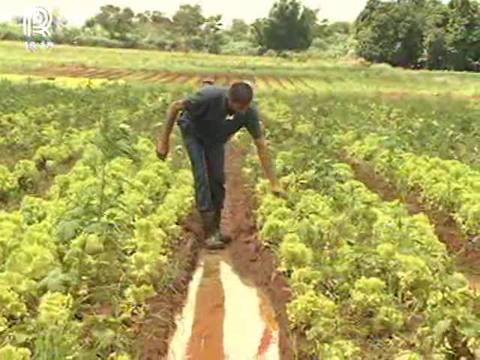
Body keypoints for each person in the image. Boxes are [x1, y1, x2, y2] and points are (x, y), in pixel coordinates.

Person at [156, 81, 285, 249]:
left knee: (217, 178)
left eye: (245, 107)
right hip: (193, 132)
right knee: (202, 177)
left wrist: (274, 183)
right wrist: (163, 141)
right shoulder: (207, 97)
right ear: (229, 100)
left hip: (215, 138)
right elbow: (175, 107)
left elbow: (261, 145)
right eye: (238, 107)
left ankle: (216, 229)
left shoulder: (248, 112)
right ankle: (209, 233)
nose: (242, 111)